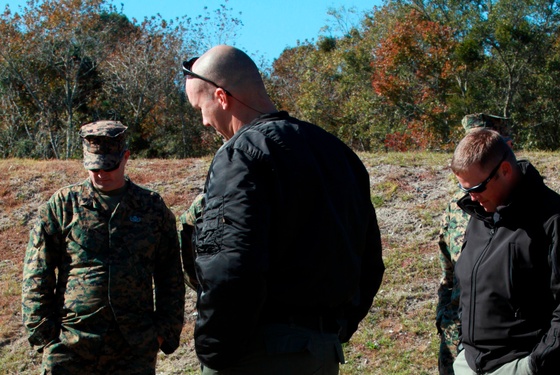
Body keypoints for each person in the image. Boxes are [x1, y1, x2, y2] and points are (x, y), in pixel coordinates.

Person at [183, 45, 385, 374]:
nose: (204, 122)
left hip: (259, 355)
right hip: (322, 353)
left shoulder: (241, 153)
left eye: (200, 108)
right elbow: (369, 261)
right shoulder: (338, 153)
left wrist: (213, 352)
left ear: (221, 97)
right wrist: (331, 331)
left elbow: (229, 264)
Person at [22, 120, 185, 374]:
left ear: (126, 157)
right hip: (72, 345)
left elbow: (171, 276)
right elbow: (36, 274)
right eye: (94, 167)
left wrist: (163, 333)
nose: (101, 174)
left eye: (109, 165)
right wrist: (45, 336)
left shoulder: (151, 208)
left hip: (133, 348)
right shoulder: (63, 206)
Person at [450, 128, 560, 374]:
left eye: (476, 188)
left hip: (521, 365)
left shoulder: (558, 220)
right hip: (471, 362)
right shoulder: (479, 213)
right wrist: (463, 351)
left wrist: (536, 366)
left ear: (505, 171)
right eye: (465, 189)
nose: (472, 198)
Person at [436, 113, 511, 375]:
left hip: (509, 347)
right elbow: (448, 275)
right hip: (459, 335)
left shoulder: (537, 211)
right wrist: (446, 319)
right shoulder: (455, 206)